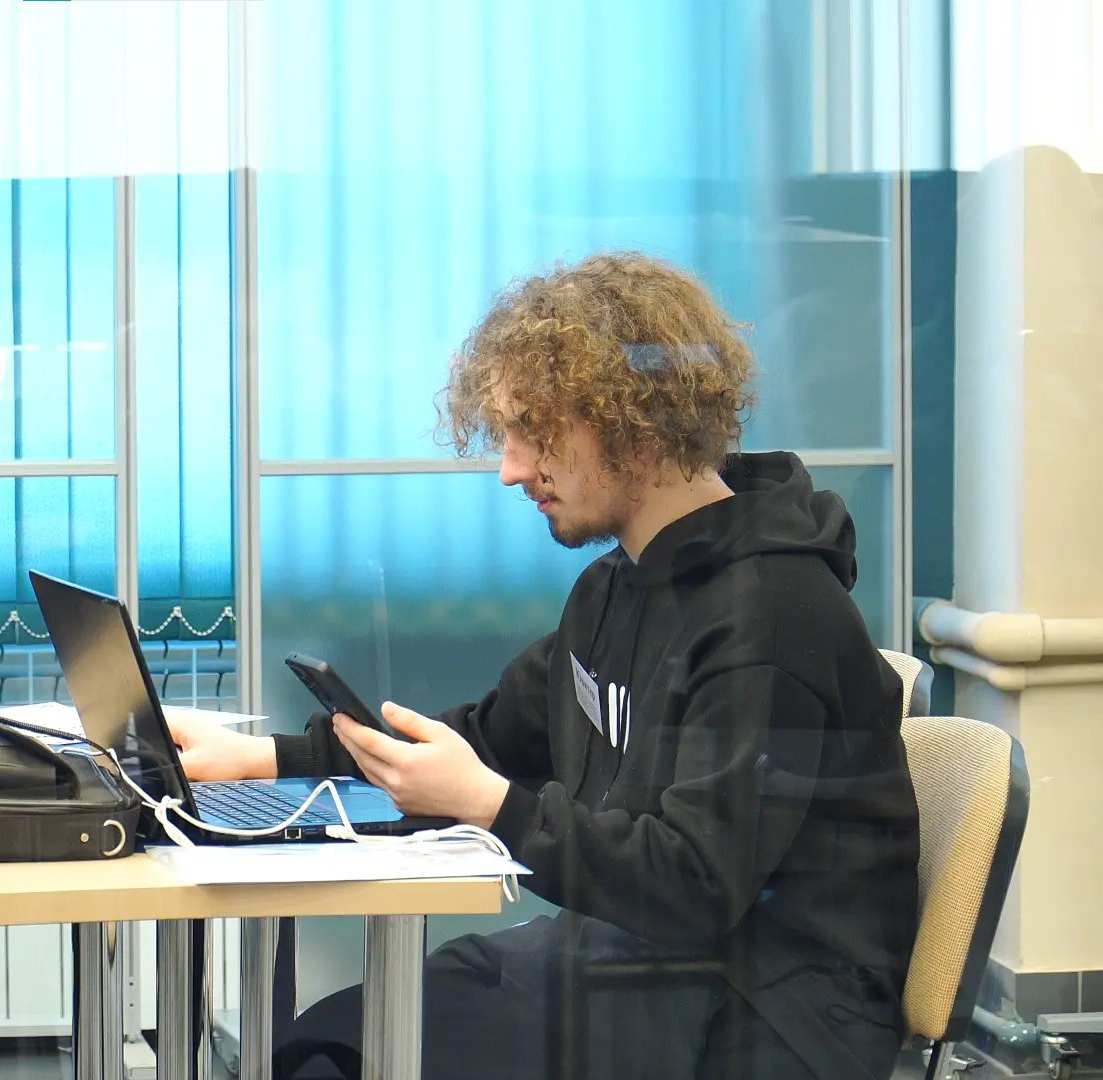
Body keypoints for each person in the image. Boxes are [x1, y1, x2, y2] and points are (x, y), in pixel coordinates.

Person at [170, 252, 920, 1079]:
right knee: (327, 1045)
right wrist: (267, 759)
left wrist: (491, 806)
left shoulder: (773, 615)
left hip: (769, 1011)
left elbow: (699, 882)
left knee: (360, 1061)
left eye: (535, 432)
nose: (512, 468)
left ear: (635, 421)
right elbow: (490, 738)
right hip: (639, 962)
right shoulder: (614, 591)